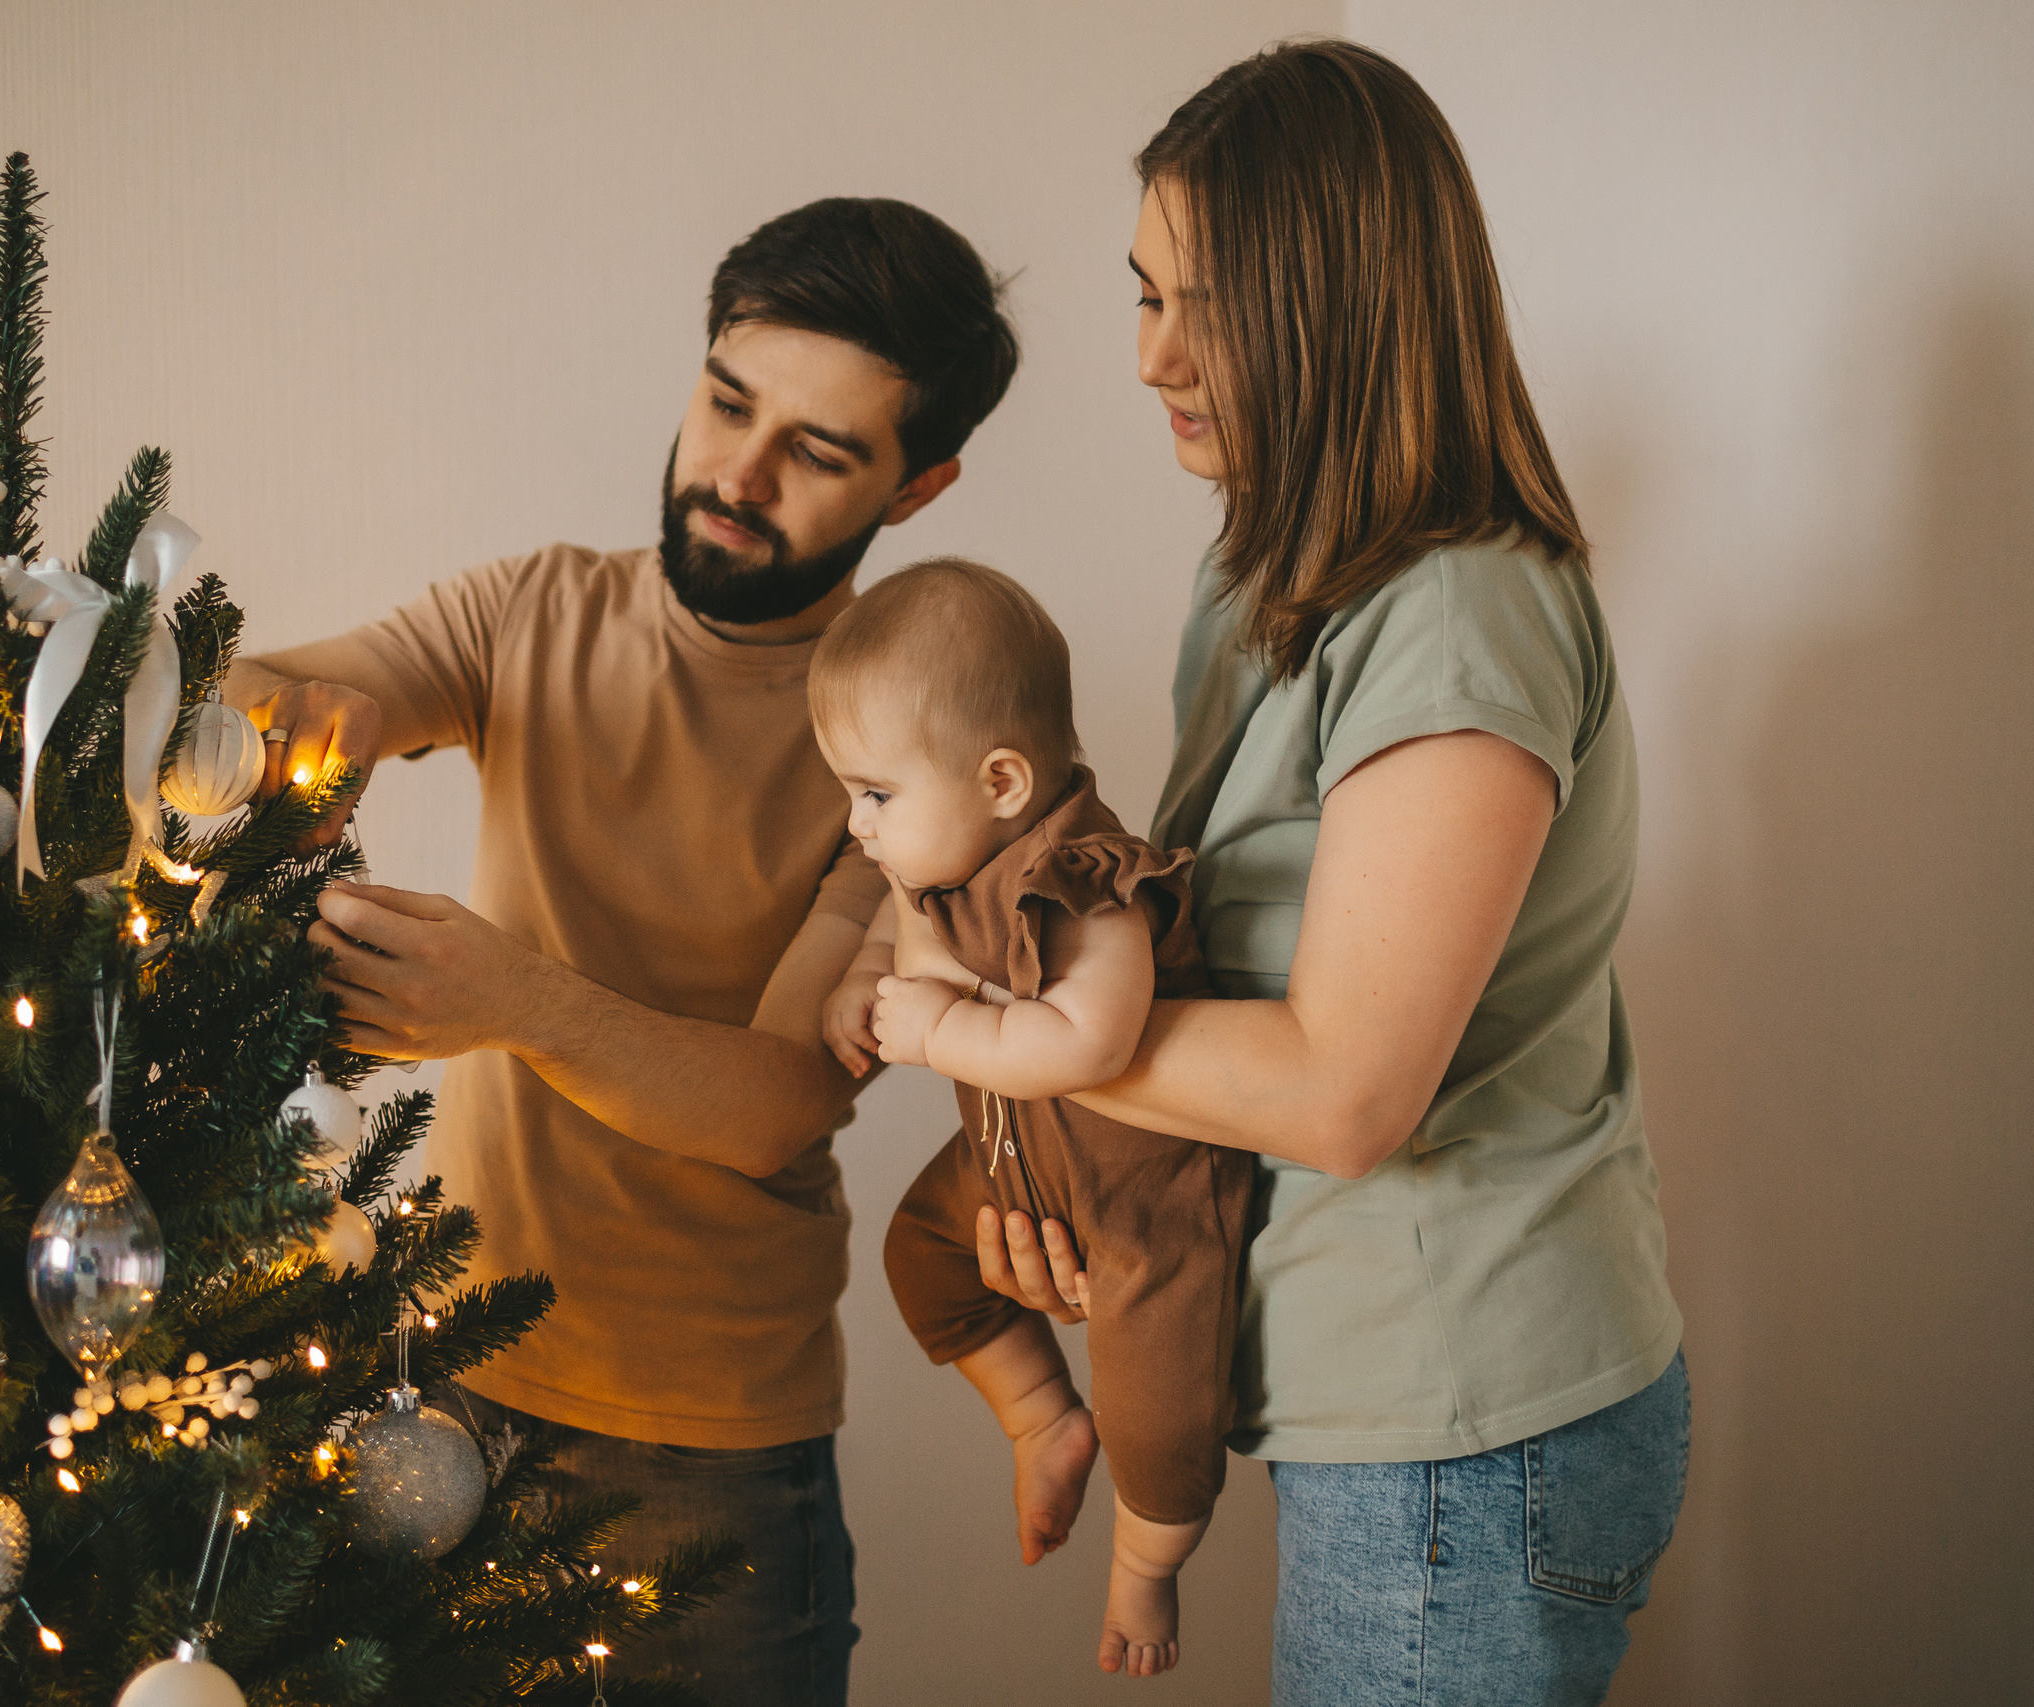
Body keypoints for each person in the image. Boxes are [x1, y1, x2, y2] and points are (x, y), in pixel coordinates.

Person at [224, 198, 1019, 1706]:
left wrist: (514, 1002)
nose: (739, 473)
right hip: (428, 1386)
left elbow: (778, 1100)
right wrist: (278, 729)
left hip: (706, 1463)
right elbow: (272, 686)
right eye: (727, 402)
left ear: (918, 487)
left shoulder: (910, 753)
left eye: (817, 452)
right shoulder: (533, 610)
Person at [973, 41, 1688, 1704]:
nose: (1151, 354)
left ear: (1340, 308)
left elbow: (1344, 1090)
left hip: (1465, 1427)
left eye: (1204, 306)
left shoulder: (1458, 612)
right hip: (1388, 1407)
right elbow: (1212, 981)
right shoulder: (1267, 576)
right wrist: (1052, 1163)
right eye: (1141, 292)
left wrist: (991, 1038)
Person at [807, 557, 1257, 1678]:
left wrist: (936, 1030)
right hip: (1010, 1163)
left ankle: (1144, 1567)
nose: (856, 824)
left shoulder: (1088, 884)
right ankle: (1042, 1415)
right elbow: (909, 935)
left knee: (1158, 1405)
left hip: (1145, 1200)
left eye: (874, 794)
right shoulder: (943, 858)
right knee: (918, 1252)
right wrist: (870, 979)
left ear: (1001, 780)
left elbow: (1088, 1045)